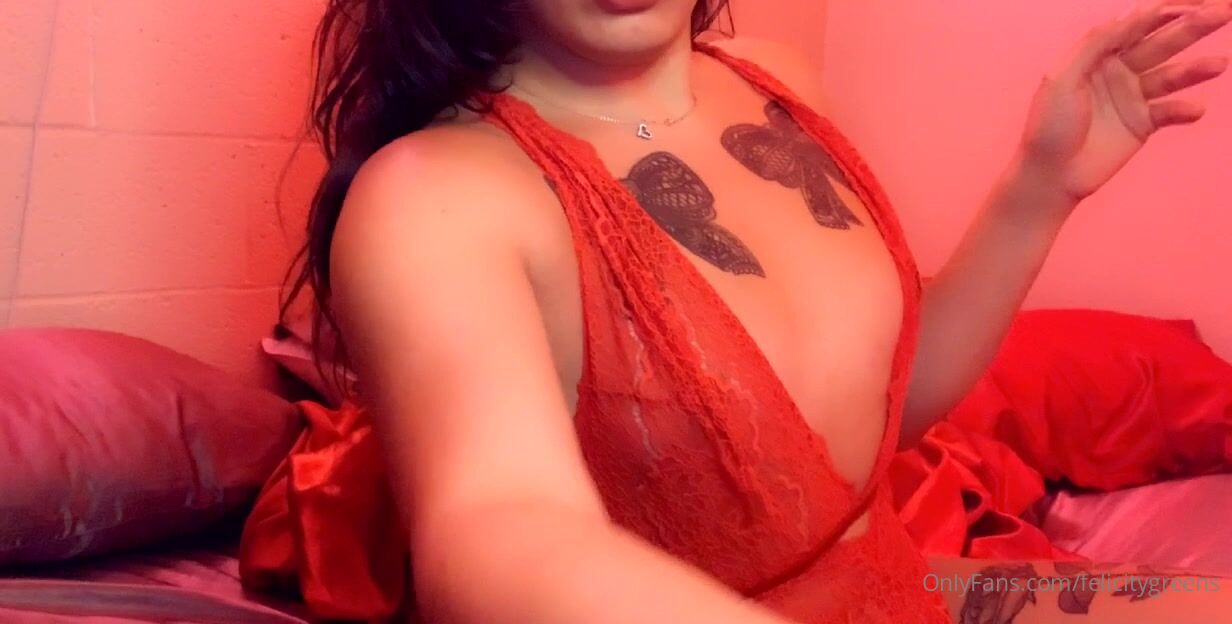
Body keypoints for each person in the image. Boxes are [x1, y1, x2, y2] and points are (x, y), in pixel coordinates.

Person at [252, 0, 1232, 622]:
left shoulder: (779, 83)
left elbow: (876, 422)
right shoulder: (431, 196)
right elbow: (497, 528)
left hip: (892, 589)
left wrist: (1040, 187)